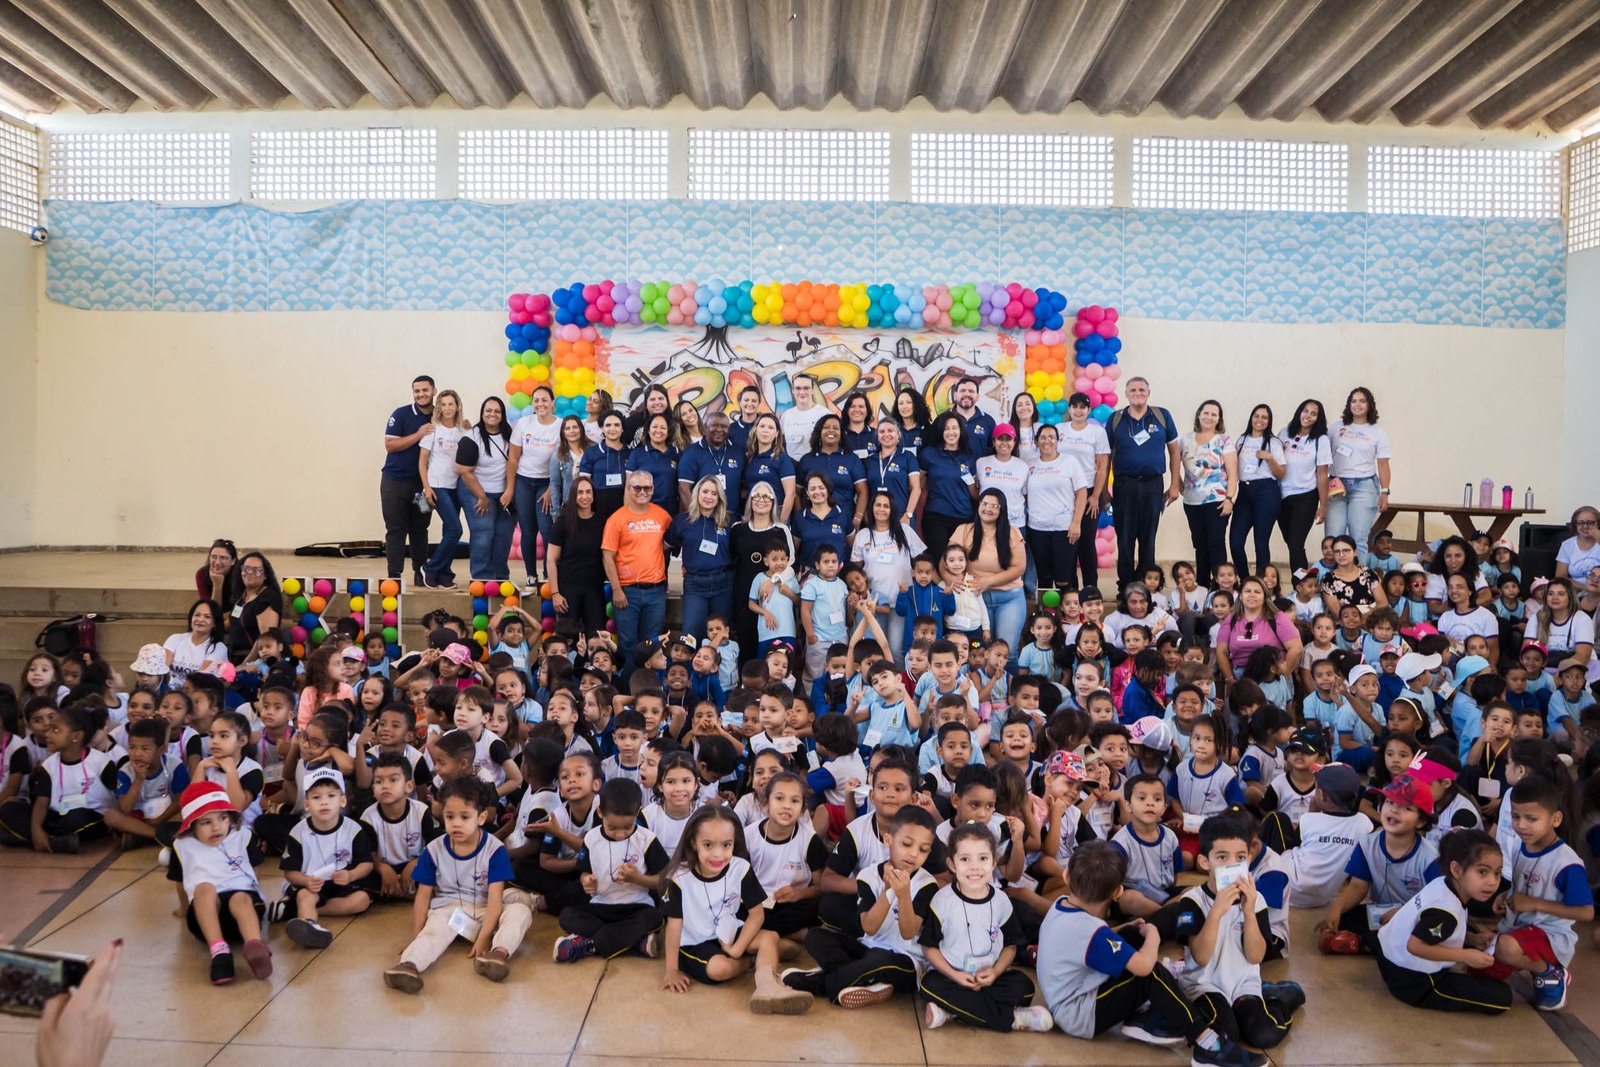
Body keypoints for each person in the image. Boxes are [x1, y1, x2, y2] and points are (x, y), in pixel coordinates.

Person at [1036, 841, 1265, 1066]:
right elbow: (1143, 967)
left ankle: (1149, 1014)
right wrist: (1154, 936)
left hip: (1064, 997)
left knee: (1131, 934)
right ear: (1118, 891)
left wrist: (1125, 931)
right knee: (1152, 974)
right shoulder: (1090, 932)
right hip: (1079, 1016)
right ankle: (1208, 1044)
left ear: (1066, 877)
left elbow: (1087, 941)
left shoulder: (1061, 904)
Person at [382, 774, 535, 992]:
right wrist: (416, 937)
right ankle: (409, 965)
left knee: (521, 911)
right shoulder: (434, 849)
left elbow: (494, 900)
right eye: (450, 816)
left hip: (485, 911)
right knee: (434, 929)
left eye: (465, 817)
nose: (456, 824)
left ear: (481, 818)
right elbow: (423, 896)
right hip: (450, 912)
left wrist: (483, 939)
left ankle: (498, 954)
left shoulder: (495, 850)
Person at [661, 805, 814, 1014]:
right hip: (695, 943)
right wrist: (671, 971)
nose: (718, 854)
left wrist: (737, 949)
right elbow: (674, 926)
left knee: (769, 936)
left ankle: (767, 987)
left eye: (726, 845)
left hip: (729, 932)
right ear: (693, 843)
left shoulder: (740, 868)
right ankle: (757, 959)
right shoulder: (678, 878)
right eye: (708, 845)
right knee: (719, 969)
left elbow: (756, 914)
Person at [1374, 828, 1511, 1014]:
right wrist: (1466, 956)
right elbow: (1415, 946)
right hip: (1413, 981)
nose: (1492, 882)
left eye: (1497, 873)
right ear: (1456, 869)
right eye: (1483, 872)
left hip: (1387, 954)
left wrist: (1471, 939)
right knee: (1502, 998)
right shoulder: (1446, 913)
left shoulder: (1442, 883)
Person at [167, 780, 272, 985]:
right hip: (205, 917)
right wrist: (183, 908)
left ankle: (254, 944)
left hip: (245, 911)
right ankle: (219, 952)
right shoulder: (182, 846)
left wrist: (254, 893)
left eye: (222, 818)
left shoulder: (243, 835)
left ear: (230, 817)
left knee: (241, 897)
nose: (217, 827)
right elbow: (181, 882)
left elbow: (255, 870)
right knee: (204, 889)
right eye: (206, 822)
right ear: (192, 825)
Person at [1107, 377, 1181, 588]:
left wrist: (1175, 485)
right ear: (1126, 393)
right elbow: (1104, 457)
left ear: (1148, 392)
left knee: (1148, 539)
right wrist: (1103, 489)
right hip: (1124, 486)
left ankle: (1148, 588)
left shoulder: (1162, 415)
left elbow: (1174, 450)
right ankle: (1126, 588)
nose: (1137, 393)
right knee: (1125, 539)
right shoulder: (1116, 419)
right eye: (1133, 390)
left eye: (1141, 389)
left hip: (1153, 485)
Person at [602, 471, 672, 676]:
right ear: (629, 489)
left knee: (651, 643)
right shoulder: (617, 519)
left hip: (656, 590)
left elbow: (671, 542)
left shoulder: (662, 515)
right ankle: (627, 684)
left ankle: (647, 686)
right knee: (627, 643)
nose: (642, 492)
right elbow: (607, 557)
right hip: (627, 591)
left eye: (647, 488)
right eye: (637, 488)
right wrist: (616, 590)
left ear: (653, 489)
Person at [949, 490, 1028, 664]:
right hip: (976, 599)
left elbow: (1019, 567)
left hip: (1009, 598)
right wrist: (950, 579)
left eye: (994, 506)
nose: (988, 509)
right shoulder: (964, 530)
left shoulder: (1013, 532)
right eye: (984, 504)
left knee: (1008, 651)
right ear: (978, 506)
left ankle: (1009, 690)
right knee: (979, 652)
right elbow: (946, 560)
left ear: (1002, 510)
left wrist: (989, 581)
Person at [729, 482, 797, 661]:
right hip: (744, 594)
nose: (761, 500)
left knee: (771, 645)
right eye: (757, 496)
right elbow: (731, 558)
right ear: (750, 500)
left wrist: (773, 580)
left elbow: (791, 563)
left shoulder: (781, 530)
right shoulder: (738, 529)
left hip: (772, 597)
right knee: (746, 641)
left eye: (767, 496)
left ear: (774, 501)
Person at [1024, 423, 1089, 599]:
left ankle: (1069, 616)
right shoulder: (1029, 466)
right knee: (1044, 578)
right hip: (1037, 530)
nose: (1047, 441)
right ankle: (1047, 617)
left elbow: (1082, 492)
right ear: (1036, 442)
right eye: (1043, 437)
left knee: (1063, 579)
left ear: (1058, 440)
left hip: (1064, 529)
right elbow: (1022, 494)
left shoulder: (1069, 462)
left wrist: (1076, 522)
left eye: (1051, 437)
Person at [1325, 387, 1392, 559]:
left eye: (1362, 401)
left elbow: (1383, 464)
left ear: (1369, 404)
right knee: (1333, 538)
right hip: (1336, 486)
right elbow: (1322, 457)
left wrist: (1385, 491)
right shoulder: (1335, 428)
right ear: (1348, 404)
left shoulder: (1377, 432)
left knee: (1358, 539)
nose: (1357, 404)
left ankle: (1359, 582)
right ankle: (1333, 581)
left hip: (1364, 487)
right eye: (1353, 401)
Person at [381, 374, 435, 584]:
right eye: (417, 391)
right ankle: (394, 576)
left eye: (425, 390)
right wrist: (419, 434)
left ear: (434, 391)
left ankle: (420, 574)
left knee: (420, 529)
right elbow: (390, 445)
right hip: (395, 483)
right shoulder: (401, 414)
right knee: (395, 529)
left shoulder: (439, 417)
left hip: (422, 488)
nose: (421, 394)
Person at [666, 476, 734, 640]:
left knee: (720, 636)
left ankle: (718, 666)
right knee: (690, 635)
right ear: (697, 493)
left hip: (723, 584)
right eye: (705, 491)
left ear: (719, 498)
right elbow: (665, 547)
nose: (709, 497)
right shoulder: (682, 521)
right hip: (695, 585)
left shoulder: (729, 521)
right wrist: (664, 576)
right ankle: (690, 666)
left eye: (714, 493)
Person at [1056, 393, 1112, 590]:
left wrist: (1096, 496)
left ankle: (1090, 589)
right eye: (1074, 406)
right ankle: (1070, 590)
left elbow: (1103, 466)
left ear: (1089, 410)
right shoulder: (1059, 430)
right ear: (1069, 409)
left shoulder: (1096, 433)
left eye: (1082, 407)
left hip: (1088, 491)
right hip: (1063, 492)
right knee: (1067, 542)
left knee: (1086, 542)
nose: (1078, 411)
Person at [456, 396, 515, 583]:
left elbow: (513, 463)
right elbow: (463, 470)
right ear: (482, 413)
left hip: (504, 493)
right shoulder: (471, 437)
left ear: (502, 414)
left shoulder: (510, 434)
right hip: (476, 491)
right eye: (488, 410)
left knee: (503, 536)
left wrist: (510, 490)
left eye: (497, 411)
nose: (492, 414)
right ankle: (481, 579)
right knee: (483, 533)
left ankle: (499, 578)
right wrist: (482, 497)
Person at [1179, 400, 1237, 588]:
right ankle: (1203, 586)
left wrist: (1229, 498)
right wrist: (1180, 488)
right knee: (1199, 545)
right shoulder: (1185, 440)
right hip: (1192, 502)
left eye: (1214, 414)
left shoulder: (1224, 440)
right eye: (1206, 413)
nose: (1209, 417)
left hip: (1217, 501)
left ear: (1219, 419)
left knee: (1216, 543)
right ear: (1199, 414)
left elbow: (1232, 473)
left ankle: (1222, 587)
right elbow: (1175, 466)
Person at [419, 388, 468, 588]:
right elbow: (422, 461)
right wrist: (426, 487)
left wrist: (470, 428)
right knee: (456, 529)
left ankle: (445, 574)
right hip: (437, 485)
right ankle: (430, 568)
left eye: (451, 404)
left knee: (449, 529)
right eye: (444, 404)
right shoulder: (433, 429)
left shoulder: (462, 431)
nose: (447, 408)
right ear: (438, 407)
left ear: (457, 407)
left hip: (455, 486)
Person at [1230, 404, 1286, 577]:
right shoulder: (1242, 440)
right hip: (1244, 492)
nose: (1259, 420)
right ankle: (1245, 580)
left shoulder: (1273, 442)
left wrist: (1269, 458)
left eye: (1264, 417)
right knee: (1235, 541)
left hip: (1266, 492)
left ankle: (1262, 584)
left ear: (1269, 421)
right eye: (1256, 416)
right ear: (1251, 418)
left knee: (1260, 543)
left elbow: (1281, 474)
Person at [547, 476, 607, 635]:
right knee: (568, 637)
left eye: (588, 492)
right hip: (568, 589)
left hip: (594, 588)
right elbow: (551, 559)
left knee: (596, 636)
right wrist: (555, 593)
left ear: (593, 495)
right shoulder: (563, 522)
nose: (584, 496)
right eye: (580, 492)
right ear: (573, 496)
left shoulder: (602, 522)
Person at [1276, 399, 1330, 574]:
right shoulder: (1284, 433)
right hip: (1281, 496)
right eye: (1306, 411)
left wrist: (1323, 506)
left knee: (1296, 543)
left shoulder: (1320, 440)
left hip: (1305, 496)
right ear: (1299, 412)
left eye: (1313, 413)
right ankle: (1303, 579)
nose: (1308, 416)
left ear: (1318, 418)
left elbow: (1322, 474)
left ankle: (1299, 585)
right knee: (1291, 542)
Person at [1214, 577, 1303, 680]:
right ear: (1240, 597)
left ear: (1265, 597)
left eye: (1257, 592)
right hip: (1239, 678)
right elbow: (1221, 652)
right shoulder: (1231, 620)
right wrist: (1229, 679)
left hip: (1272, 676)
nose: (1252, 594)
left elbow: (1296, 648)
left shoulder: (1277, 617)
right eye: (1247, 591)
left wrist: (1284, 674)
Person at [919, 411, 979, 559]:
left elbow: (973, 493)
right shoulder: (929, 454)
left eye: (954, 428)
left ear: (961, 430)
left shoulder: (969, 457)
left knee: (960, 560)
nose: (951, 432)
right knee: (940, 559)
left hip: (963, 517)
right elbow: (919, 484)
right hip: (936, 516)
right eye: (946, 428)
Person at [797, 414, 868, 529]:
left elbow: (863, 491)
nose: (831, 430)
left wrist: (857, 518)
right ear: (819, 432)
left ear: (841, 434)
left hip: (845, 522)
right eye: (826, 427)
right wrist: (801, 517)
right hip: (813, 524)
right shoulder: (807, 460)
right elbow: (797, 492)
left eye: (835, 428)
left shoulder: (851, 459)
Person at [677, 411, 745, 513]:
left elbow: (744, 486)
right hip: (705, 517)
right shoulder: (691, 453)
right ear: (705, 427)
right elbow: (684, 489)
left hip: (732, 516)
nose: (719, 429)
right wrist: (696, 517)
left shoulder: (737, 452)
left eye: (724, 426)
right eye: (714, 425)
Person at [222, 552, 281, 665]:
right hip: (232, 657)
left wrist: (243, 666)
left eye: (257, 570)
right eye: (246, 569)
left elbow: (266, 640)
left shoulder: (267, 598)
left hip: (254, 662)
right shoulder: (242, 596)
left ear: (265, 575)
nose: (250, 573)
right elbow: (231, 621)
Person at [863, 418, 922, 527]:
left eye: (890, 430)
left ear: (898, 435)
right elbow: (865, 490)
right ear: (878, 438)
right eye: (882, 431)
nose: (886, 434)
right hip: (876, 516)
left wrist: (908, 514)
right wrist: (866, 513)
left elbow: (916, 488)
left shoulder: (907, 457)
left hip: (901, 515)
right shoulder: (870, 460)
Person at [743, 412, 797, 521]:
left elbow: (790, 494)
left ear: (777, 433)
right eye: (762, 426)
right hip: (753, 514)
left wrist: (781, 523)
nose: (765, 430)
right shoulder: (749, 457)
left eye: (771, 427)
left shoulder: (782, 458)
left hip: (776, 513)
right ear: (756, 429)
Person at [164, 599, 228, 689]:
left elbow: (199, 677)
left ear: (214, 624)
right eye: (197, 615)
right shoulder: (175, 639)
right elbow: (162, 668)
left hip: (197, 694)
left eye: (207, 617)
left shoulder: (219, 648)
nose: (200, 619)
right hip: (171, 693)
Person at [580, 410, 631, 523]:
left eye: (617, 425)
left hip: (624, 502)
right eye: (608, 425)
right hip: (598, 504)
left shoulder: (631, 453)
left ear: (622, 429)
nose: (612, 429)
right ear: (602, 428)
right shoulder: (591, 453)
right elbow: (584, 482)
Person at [627, 412, 681, 515]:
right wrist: (629, 515)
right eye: (654, 427)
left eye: (663, 427)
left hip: (671, 511)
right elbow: (628, 488)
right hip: (644, 511)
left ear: (669, 431)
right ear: (648, 430)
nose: (658, 431)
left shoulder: (676, 453)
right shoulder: (637, 453)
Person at [1320, 535, 1387, 616]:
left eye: (1346, 550)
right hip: (1342, 626)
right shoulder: (1328, 580)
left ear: (1355, 552)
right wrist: (1366, 612)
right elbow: (1338, 614)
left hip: (1370, 624)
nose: (1341, 555)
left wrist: (1364, 618)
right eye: (1337, 551)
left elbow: (1383, 603)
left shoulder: (1369, 574)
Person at [780, 373, 829, 460]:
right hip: (793, 467)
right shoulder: (786, 416)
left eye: (806, 388)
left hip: (817, 467)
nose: (802, 392)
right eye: (798, 388)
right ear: (792, 391)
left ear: (813, 390)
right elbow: (781, 443)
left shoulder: (825, 415)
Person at [950, 376, 996, 456]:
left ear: (977, 396)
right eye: (962, 391)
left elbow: (994, 450)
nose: (967, 394)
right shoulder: (943, 419)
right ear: (955, 395)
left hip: (979, 468)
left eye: (971, 391)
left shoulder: (988, 421)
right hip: (951, 468)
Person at [1555, 506, 1600, 584]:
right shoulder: (1567, 544)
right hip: (1575, 593)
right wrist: (1586, 588)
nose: (1585, 526)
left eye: (1590, 522)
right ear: (1575, 525)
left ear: (1598, 524)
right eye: (1580, 523)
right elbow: (1560, 577)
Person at [621, 383, 673, 450]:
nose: (657, 402)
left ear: (667, 401)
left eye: (660, 398)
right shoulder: (632, 422)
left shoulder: (675, 423)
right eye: (652, 399)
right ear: (646, 404)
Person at [195, 539, 237, 605]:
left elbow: (241, 608)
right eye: (213, 557)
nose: (217, 562)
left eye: (223, 558)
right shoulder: (202, 574)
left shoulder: (241, 575)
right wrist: (217, 585)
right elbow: (211, 610)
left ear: (233, 561)